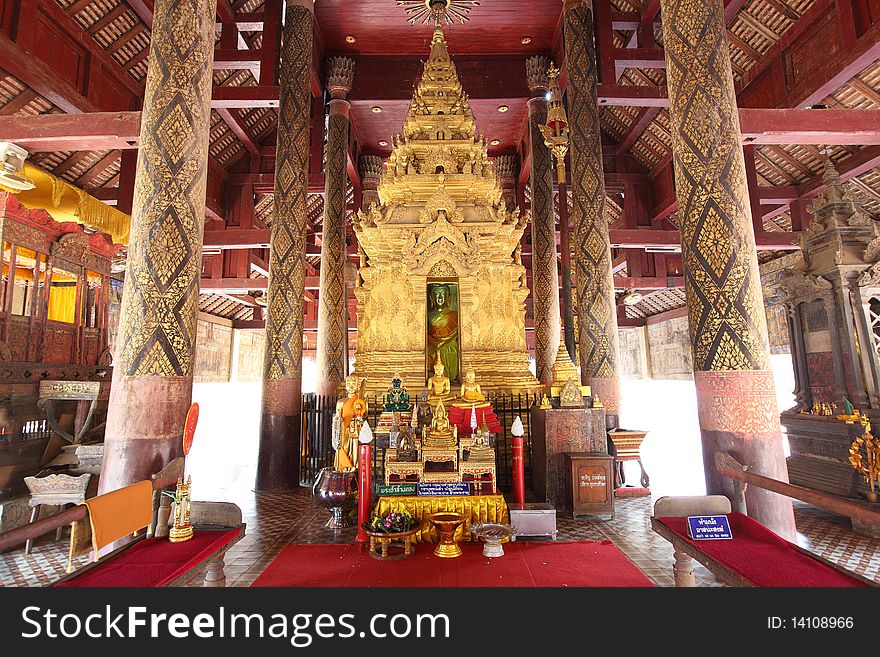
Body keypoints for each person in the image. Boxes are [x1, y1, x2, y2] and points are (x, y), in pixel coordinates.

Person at [427, 284, 459, 382]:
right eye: (437, 294)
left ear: (448, 297)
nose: (440, 297)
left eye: (443, 294)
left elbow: (456, 333)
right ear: (432, 297)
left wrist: (443, 342)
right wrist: (435, 344)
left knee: (451, 348)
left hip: (449, 344)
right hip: (433, 344)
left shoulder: (454, 315)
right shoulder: (429, 315)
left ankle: (451, 377)